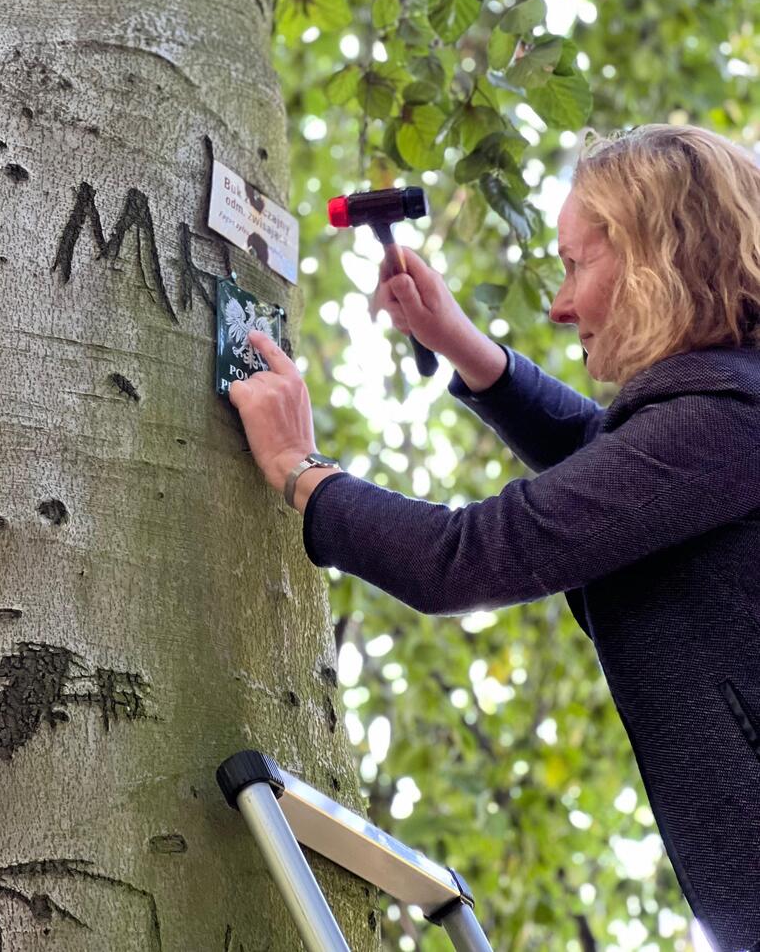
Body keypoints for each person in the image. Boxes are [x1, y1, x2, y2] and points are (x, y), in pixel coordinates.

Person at [228, 124, 760, 952]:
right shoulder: (727, 415)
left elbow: (466, 558)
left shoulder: (726, 423)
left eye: (577, 264)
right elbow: (607, 462)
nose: (560, 302)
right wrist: (467, 349)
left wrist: (303, 471)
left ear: (661, 257)